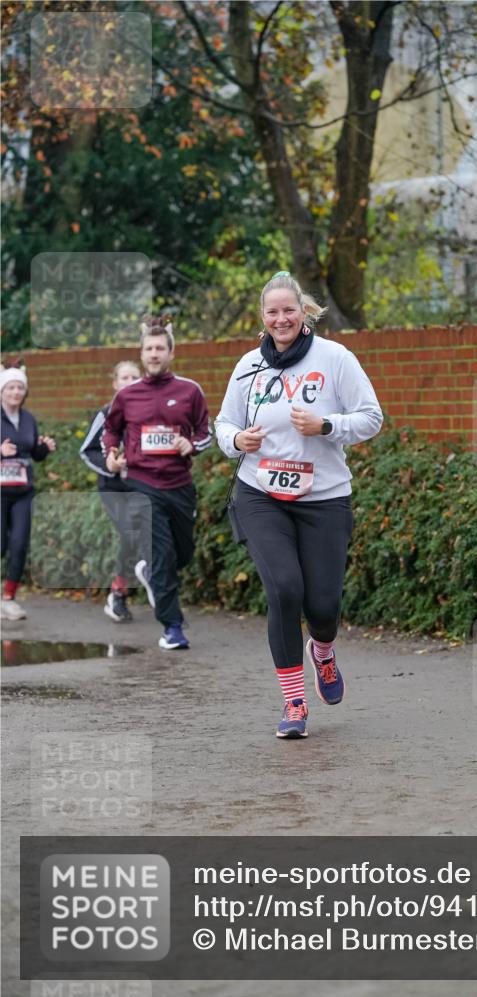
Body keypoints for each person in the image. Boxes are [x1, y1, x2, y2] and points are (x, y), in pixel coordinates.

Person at [215, 271, 383, 739]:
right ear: (263, 318)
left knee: (324, 607)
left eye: (289, 310)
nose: (281, 318)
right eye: (273, 312)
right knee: (285, 590)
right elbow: (223, 425)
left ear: (304, 311)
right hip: (260, 494)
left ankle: (323, 652)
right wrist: (237, 440)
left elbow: (372, 417)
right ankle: (293, 703)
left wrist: (326, 425)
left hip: (324, 498)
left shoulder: (335, 359)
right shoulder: (249, 366)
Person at [102, 317, 212, 649]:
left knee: (182, 553)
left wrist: (191, 444)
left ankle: (150, 573)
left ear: (170, 352)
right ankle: (172, 628)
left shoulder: (190, 391)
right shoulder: (128, 395)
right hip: (141, 484)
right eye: (148, 348)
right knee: (163, 555)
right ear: (141, 353)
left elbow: (206, 432)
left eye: (159, 348)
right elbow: (110, 430)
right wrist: (111, 455)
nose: (153, 354)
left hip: (179, 485)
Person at [79, 360, 143, 623]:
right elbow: (87, 450)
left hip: (143, 486)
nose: (129, 382)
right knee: (130, 532)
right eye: (124, 378)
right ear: (115, 383)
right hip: (113, 488)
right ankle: (117, 593)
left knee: (150, 537)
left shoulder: (150, 412)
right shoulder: (106, 413)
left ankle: (162, 597)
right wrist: (110, 464)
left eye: (134, 377)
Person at [1, 365, 56, 620]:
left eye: (20, 387)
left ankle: (9, 599)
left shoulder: (29, 419)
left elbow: (34, 453)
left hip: (23, 491)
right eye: (10, 387)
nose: (15, 392)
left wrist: (44, 448)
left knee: (19, 544)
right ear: (2, 391)